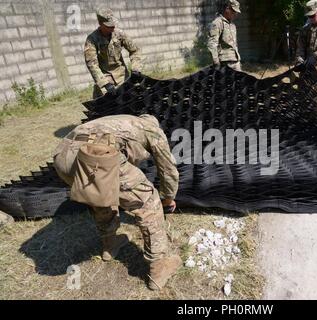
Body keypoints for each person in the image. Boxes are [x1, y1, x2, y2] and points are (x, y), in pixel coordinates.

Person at [52, 114, 181, 290]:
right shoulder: (152, 130)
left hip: (62, 157)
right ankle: (159, 267)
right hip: (97, 157)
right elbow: (168, 168)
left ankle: (110, 245)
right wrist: (168, 197)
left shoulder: (121, 121)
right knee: (148, 201)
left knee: (100, 195)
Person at [84, 7, 143, 99]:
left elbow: (135, 50)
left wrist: (136, 68)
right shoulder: (92, 40)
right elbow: (92, 64)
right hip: (105, 78)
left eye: (113, 24)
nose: (112, 27)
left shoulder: (119, 34)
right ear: (100, 24)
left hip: (123, 77)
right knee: (104, 108)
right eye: (108, 26)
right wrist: (104, 83)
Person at [207, 0, 242, 71]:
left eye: (236, 12)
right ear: (227, 9)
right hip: (225, 62)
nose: (235, 14)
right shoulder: (217, 23)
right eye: (233, 11)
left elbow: (234, 44)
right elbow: (212, 44)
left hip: (235, 61)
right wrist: (216, 63)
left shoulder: (232, 25)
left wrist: (238, 60)